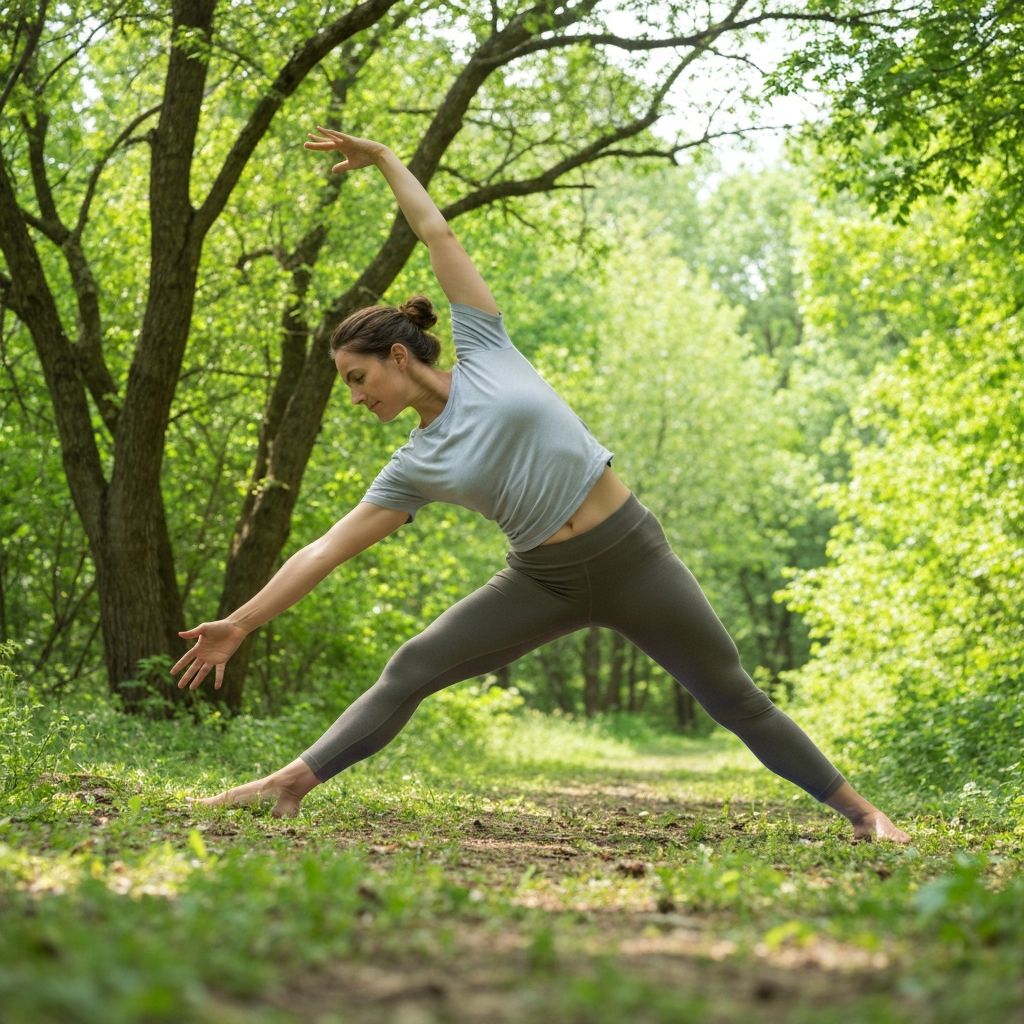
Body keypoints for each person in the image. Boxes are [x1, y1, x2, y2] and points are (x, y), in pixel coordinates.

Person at [172, 127, 910, 844]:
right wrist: (241, 622)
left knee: (734, 695)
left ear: (398, 355)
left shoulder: (487, 348)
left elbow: (437, 234)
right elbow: (325, 549)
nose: (357, 397)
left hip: (635, 559)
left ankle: (864, 814)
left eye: (357, 378)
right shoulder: (413, 465)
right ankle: (289, 784)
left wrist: (389, 159)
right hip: (542, 582)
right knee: (414, 665)